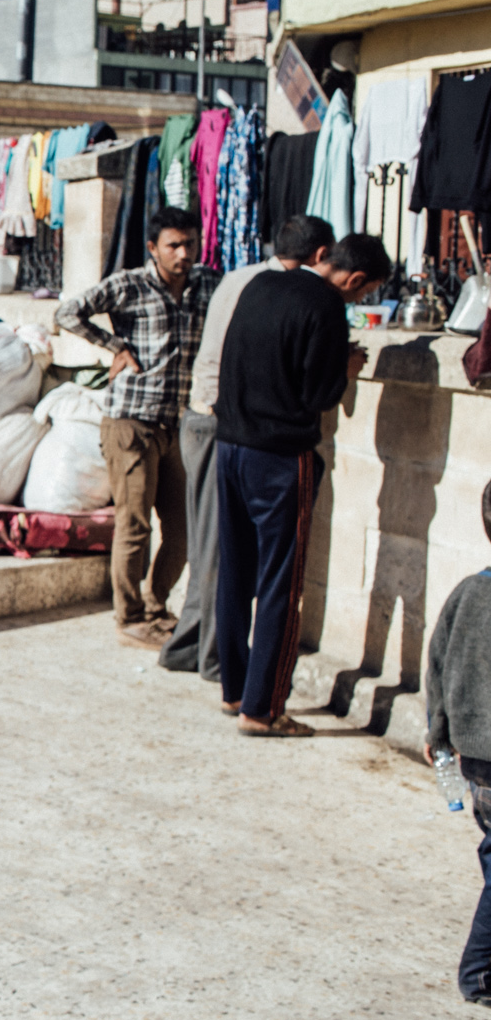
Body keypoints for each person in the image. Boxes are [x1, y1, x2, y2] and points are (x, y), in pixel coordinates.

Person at [213, 233, 386, 735]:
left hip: (231, 446)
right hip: (281, 455)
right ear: (354, 279)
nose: (358, 299)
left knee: (236, 571)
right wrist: (347, 368)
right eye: (363, 291)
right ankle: (262, 708)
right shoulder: (328, 306)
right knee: (281, 585)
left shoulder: (261, 283)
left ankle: (234, 689)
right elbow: (319, 392)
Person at [161, 215, 335, 681]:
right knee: (224, 552)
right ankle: (217, 660)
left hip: (202, 418)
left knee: (209, 544)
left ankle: (188, 646)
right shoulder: (278, 289)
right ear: (320, 255)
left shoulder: (242, 278)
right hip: (227, 426)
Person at [55, 206, 219, 650]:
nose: (184, 253)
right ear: (154, 248)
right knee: (135, 525)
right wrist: (115, 346)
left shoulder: (207, 285)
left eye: (190, 243)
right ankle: (128, 617)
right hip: (131, 422)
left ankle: (156, 605)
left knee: (184, 526)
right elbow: (68, 313)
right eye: (174, 245)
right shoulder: (130, 284)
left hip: (177, 422)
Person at [423, 480, 491, 1007]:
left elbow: (438, 666)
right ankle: (479, 972)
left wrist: (438, 734)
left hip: (474, 760)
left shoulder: (467, 592)